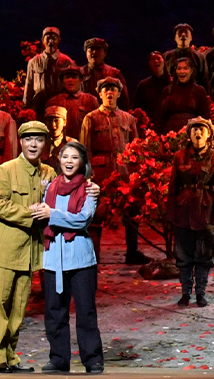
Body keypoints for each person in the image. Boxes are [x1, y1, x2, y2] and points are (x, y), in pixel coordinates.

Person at [0, 120, 58, 373]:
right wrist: (30, 213)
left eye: (39, 140)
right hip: (3, 250)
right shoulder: (6, 170)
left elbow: (61, 198)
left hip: (29, 253)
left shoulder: (49, 173)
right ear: (21, 143)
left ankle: (10, 357)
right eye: (28, 139)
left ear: (45, 144)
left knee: (17, 309)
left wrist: (89, 189)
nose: (33, 144)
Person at [41, 141, 104, 374]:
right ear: (59, 160)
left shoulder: (89, 189)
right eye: (65, 157)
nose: (69, 161)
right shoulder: (50, 187)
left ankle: (93, 359)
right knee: (54, 312)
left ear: (82, 162)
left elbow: (82, 219)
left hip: (80, 258)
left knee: (86, 311)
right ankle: (59, 359)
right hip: (53, 258)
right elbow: (42, 214)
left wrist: (52, 214)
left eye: (74, 157)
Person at [80, 78, 144, 264]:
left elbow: (135, 147)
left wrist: (136, 173)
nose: (109, 93)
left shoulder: (128, 119)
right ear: (100, 94)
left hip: (124, 171)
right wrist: (88, 173)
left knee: (132, 210)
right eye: (106, 89)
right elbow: (85, 149)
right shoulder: (91, 118)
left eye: (113, 89)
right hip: (101, 171)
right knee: (96, 212)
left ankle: (132, 252)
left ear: (118, 93)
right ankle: (93, 255)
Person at [169, 118, 214, 306]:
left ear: (209, 134)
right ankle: (185, 293)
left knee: (204, 256)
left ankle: (201, 293)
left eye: (202, 129)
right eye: (194, 130)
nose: (198, 133)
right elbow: (173, 186)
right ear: (189, 134)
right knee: (183, 256)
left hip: (205, 212)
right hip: (183, 212)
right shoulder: (179, 156)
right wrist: (171, 213)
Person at [150, 57, 212, 136]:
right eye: (179, 68)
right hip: (170, 134)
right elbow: (160, 117)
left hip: (193, 133)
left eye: (185, 68)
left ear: (191, 71)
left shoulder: (199, 90)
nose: (182, 71)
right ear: (175, 71)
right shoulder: (167, 91)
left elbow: (206, 116)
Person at [40, 67, 98, 140]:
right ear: (62, 81)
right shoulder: (53, 102)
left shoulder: (91, 100)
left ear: (80, 80)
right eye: (67, 77)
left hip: (84, 143)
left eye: (74, 77)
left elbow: (97, 126)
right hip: (60, 143)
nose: (70, 80)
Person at [24, 26, 76, 107]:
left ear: (59, 40)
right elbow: (29, 85)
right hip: (39, 105)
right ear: (43, 40)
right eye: (48, 38)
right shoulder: (34, 62)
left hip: (60, 105)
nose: (51, 41)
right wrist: (26, 106)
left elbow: (73, 86)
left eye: (54, 38)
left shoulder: (67, 62)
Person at [80, 38, 129, 109]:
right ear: (86, 52)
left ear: (105, 53)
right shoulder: (79, 73)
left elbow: (124, 101)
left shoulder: (114, 73)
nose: (94, 52)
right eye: (91, 49)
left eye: (98, 49)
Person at [133, 51, 172, 135]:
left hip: (169, 127)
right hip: (150, 128)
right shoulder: (143, 85)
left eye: (158, 58)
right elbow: (136, 108)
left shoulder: (173, 83)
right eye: (153, 59)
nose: (156, 61)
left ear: (164, 62)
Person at [162, 23, 206, 93]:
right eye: (180, 32)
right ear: (175, 38)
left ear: (191, 37)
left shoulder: (199, 57)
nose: (183, 34)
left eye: (186, 32)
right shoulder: (167, 56)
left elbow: (204, 79)